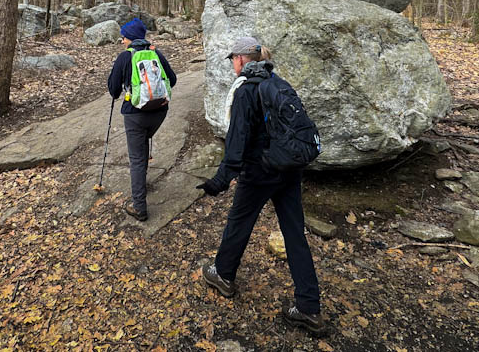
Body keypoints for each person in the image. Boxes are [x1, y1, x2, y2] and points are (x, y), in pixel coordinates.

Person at [197, 37, 324, 334]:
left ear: (241, 60)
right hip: (288, 169)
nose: (232, 64)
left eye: (233, 59)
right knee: (294, 235)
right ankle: (309, 307)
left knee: (239, 223)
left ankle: (223, 275)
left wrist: (221, 180)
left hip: (259, 172)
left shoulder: (246, 90)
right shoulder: (276, 81)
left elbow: (237, 142)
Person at [107, 18, 177, 221]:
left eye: (124, 37)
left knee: (136, 158)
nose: (122, 41)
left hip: (135, 114)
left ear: (131, 38)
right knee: (143, 144)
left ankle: (139, 207)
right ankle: (141, 183)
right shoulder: (157, 54)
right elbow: (172, 80)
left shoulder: (124, 58)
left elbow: (113, 90)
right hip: (159, 112)